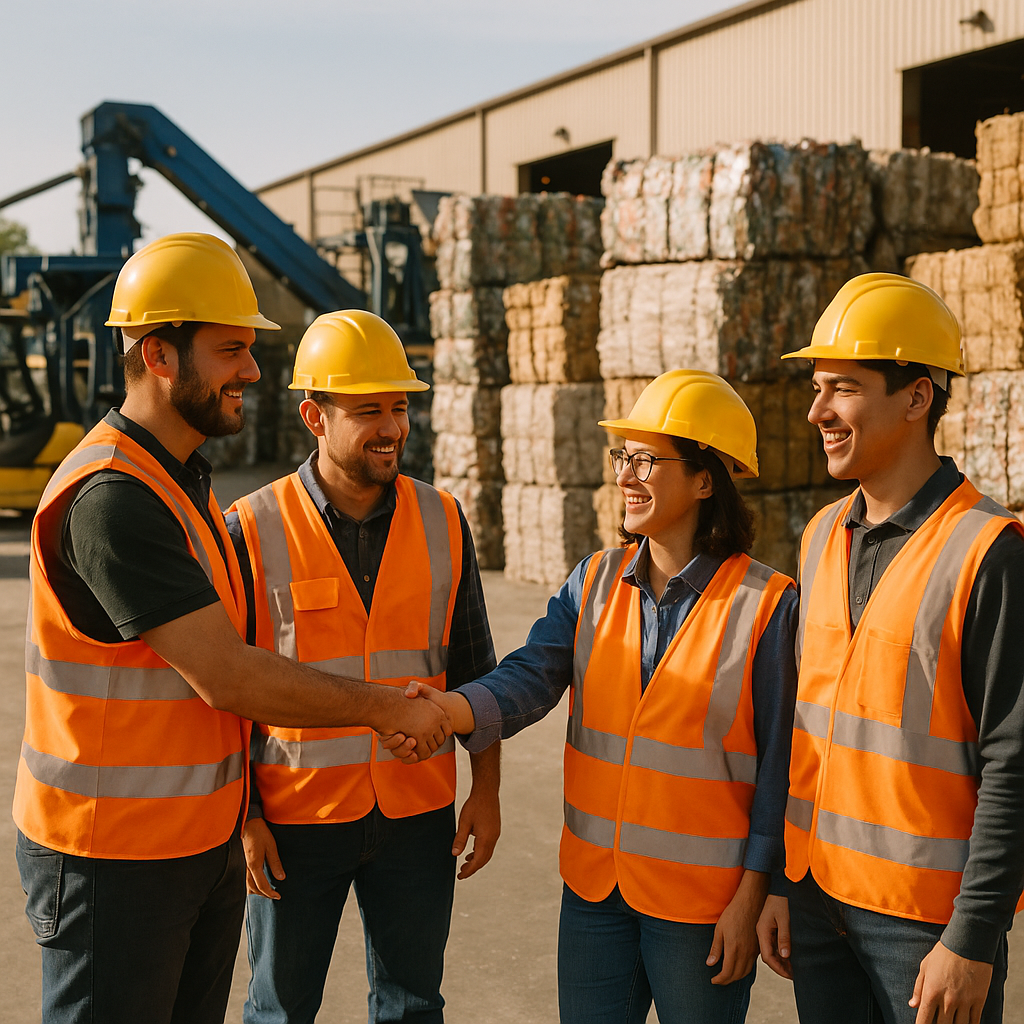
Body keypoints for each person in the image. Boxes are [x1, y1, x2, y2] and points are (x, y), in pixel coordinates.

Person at [14, 233, 451, 1024]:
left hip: (188, 845)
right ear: (159, 355)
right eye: (230, 350)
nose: (252, 371)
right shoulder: (115, 498)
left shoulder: (181, 485)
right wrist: (390, 708)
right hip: (110, 856)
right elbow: (229, 673)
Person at [389, 369, 798, 1024]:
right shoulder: (596, 581)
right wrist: (450, 709)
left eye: (646, 460)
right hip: (595, 894)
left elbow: (783, 768)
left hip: (701, 906)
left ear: (704, 479)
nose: (625, 476)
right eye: (623, 457)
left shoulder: (767, 605)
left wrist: (758, 890)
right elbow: (530, 675)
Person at [756, 273, 1024, 1024]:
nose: (817, 411)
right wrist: (782, 878)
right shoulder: (818, 537)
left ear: (917, 398)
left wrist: (972, 937)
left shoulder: (987, 550)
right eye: (817, 387)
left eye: (843, 387)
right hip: (817, 904)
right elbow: (805, 727)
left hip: (923, 924)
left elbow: (1014, 756)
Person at [226, 309, 501, 1024]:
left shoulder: (443, 518)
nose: (393, 427)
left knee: (413, 1007)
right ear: (314, 417)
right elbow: (223, 690)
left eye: (401, 406)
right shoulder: (252, 525)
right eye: (369, 410)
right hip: (295, 818)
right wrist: (245, 814)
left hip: (416, 812)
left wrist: (487, 789)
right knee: (279, 1010)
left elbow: (477, 670)